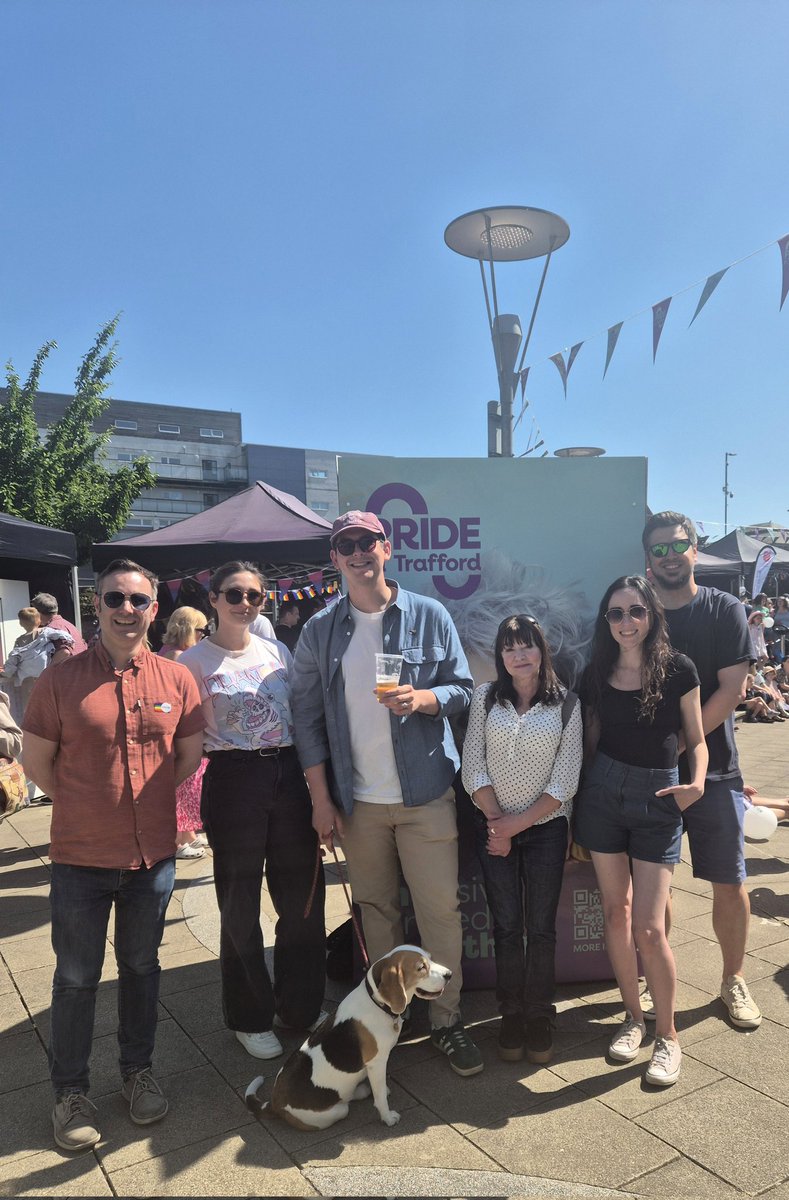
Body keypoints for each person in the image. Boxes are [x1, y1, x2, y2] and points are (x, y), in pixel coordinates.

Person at [21, 558, 205, 1152]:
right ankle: (71, 1092)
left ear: (155, 608)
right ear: (95, 606)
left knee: (142, 969)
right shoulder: (60, 681)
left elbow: (187, 757)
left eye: (139, 600)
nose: (128, 609)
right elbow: (36, 763)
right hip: (80, 855)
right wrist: (84, 804)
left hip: (151, 857)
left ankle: (136, 1072)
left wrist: (150, 814)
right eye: (115, 599)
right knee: (75, 979)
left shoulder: (177, 680)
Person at [291, 510, 483, 1077]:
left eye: (366, 541)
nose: (357, 552)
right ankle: (390, 1019)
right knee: (377, 915)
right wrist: (321, 800)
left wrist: (423, 700)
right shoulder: (319, 630)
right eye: (345, 544)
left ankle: (447, 1022)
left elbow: (464, 689)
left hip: (426, 793)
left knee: (440, 912)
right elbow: (305, 720)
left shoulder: (428, 613)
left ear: (387, 547)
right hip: (360, 803)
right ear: (334, 558)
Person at [179, 561, 326, 1061]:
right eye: (235, 594)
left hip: (288, 774)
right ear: (214, 600)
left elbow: (300, 719)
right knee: (239, 903)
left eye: (255, 596)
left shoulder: (277, 650)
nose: (245, 603)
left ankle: (301, 1006)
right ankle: (249, 1014)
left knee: (303, 900)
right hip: (233, 779)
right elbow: (187, 740)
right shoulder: (193, 662)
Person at [574, 575, 707, 1087]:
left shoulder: (678, 669)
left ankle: (668, 1035)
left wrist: (695, 784)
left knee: (650, 929)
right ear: (606, 622)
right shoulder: (596, 672)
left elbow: (696, 740)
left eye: (635, 611)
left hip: (658, 798)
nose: (626, 622)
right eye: (616, 614)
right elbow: (588, 742)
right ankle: (632, 1017)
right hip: (602, 794)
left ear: (651, 614)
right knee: (615, 913)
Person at [643, 511, 759, 1030]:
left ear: (696, 548)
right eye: (660, 549)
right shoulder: (637, 612)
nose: (670, 556)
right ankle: (655, 977)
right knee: (654, 888)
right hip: (651, 775)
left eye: (678, 546)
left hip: (717, 775)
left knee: (729, 883)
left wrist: (684, 749)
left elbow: (732, 690)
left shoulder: (725, 608)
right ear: (648, 558)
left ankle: (733, 979)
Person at [461, 614, 582, 1065]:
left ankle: (539, 1014)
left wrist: (519, 825)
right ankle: (510, 1012)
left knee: (542, 928)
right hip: (493, 826)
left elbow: (565, 778)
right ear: (501, 655)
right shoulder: (484, 699)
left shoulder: (566, 704)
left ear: (541, 650)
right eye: (510, 647)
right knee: (507, 928)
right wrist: (497, 822)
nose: (518, 655)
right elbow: (472, 762)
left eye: (526, 645)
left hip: (546, 829)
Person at [159, 607, 212, 859]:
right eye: (202, 630)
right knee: (183, 785)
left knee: (189, 786)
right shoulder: (177, 656)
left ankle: (186, 833)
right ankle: (178, 840)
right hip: (180, 731)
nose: (205, 635)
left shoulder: (172, 653)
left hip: (181, 730)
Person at [0, 608, 72, 724]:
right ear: (39, 621)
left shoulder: (20, 641)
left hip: (26, 680)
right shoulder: (46, 632)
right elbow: (65, 636)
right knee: (48, 708)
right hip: (44, 677)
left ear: (21, 623)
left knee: (29, 711)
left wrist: (5, 672)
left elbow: (12, 662)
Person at [30, 592, 88, 657]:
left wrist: (50, 667)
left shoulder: (52, 629)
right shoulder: (69, 625)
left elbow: (65, 652)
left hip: (69, 666)